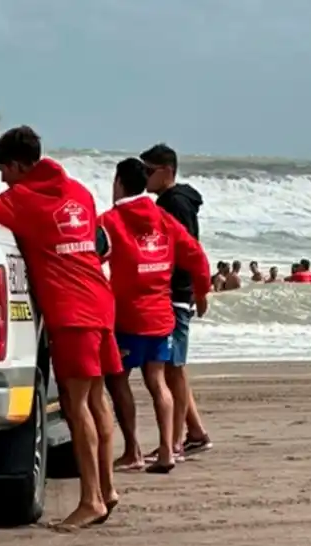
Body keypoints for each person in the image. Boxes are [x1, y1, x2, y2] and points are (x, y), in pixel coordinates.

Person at [0, 126, 120, 529]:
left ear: (19, 165)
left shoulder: (20, 201)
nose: (2, 178)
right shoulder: (79, 193)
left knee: (76, 408)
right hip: (101, 302)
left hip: (72, 312)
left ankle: (91, 499)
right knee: (96, 401)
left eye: (4, 169)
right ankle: (107, 490)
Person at [100, 158, 211, 473]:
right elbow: (196, 256)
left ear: (119, 183)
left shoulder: (109, 220)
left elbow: (89, 254)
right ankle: (166, 451)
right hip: (161, 315)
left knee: (117, 378)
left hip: (128, 317)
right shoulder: (162, 217)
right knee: (157, 381)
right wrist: (201, 291)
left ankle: (132, 449)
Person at [142, 143, 213, 458]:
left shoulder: (176, 205)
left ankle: (174, 441)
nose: (144, 177)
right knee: (173, 366)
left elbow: (188, 250)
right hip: (173, 292)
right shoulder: (169, 201)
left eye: (148, 171)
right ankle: (196, 432)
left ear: (166, 170)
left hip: (176, 294)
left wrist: (198, 291)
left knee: (173, 367)